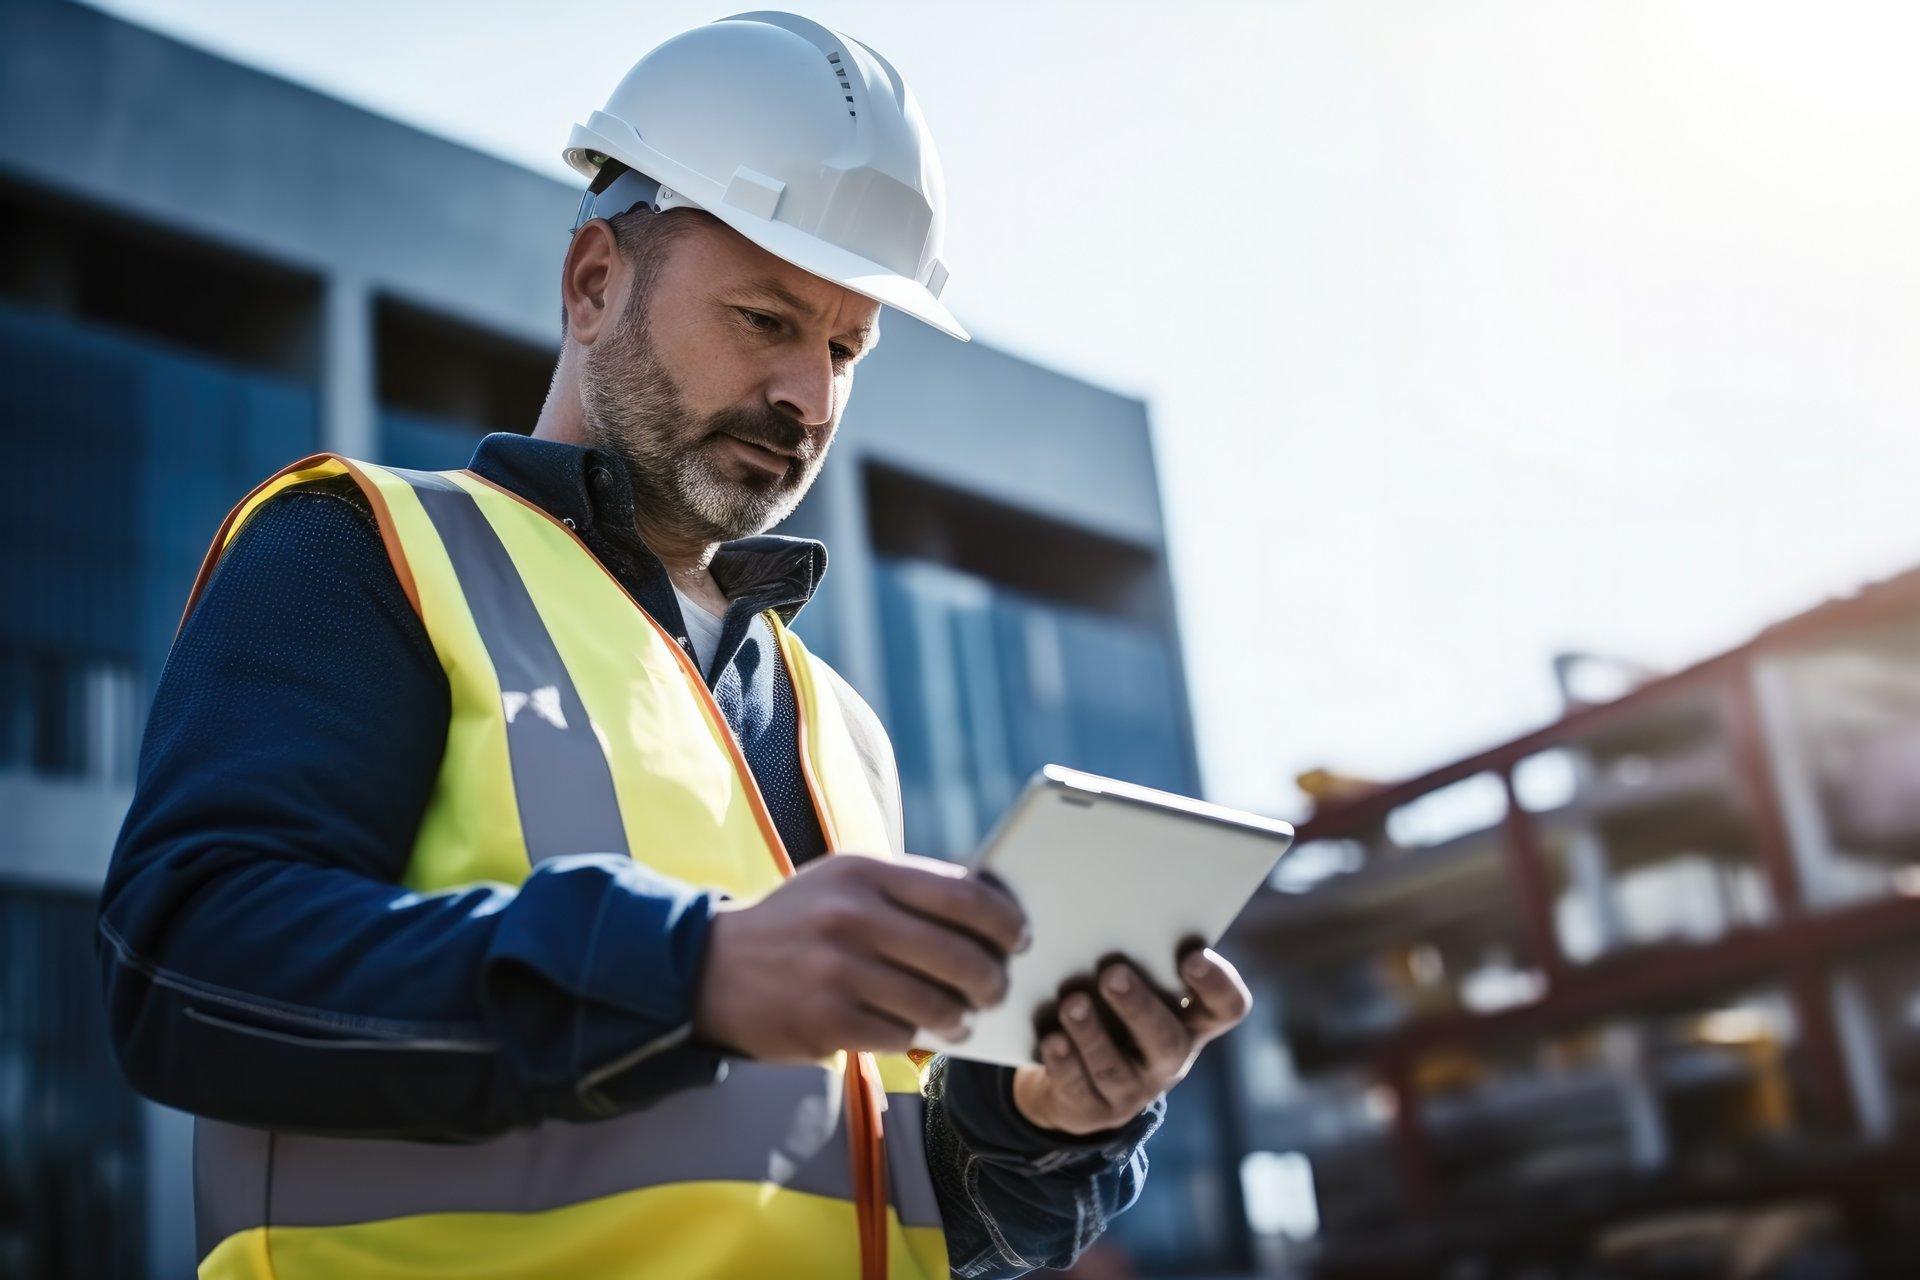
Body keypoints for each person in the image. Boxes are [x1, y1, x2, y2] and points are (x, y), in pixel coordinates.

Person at [96, 13, 1251, 1279]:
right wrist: (689, 969)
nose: (809, 396)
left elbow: (898, 1210)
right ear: (595, 282)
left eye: (846, 347)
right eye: (765, 317)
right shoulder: (366, 548)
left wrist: (1040, 1124)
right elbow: (182, 972)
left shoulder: (836, 728)